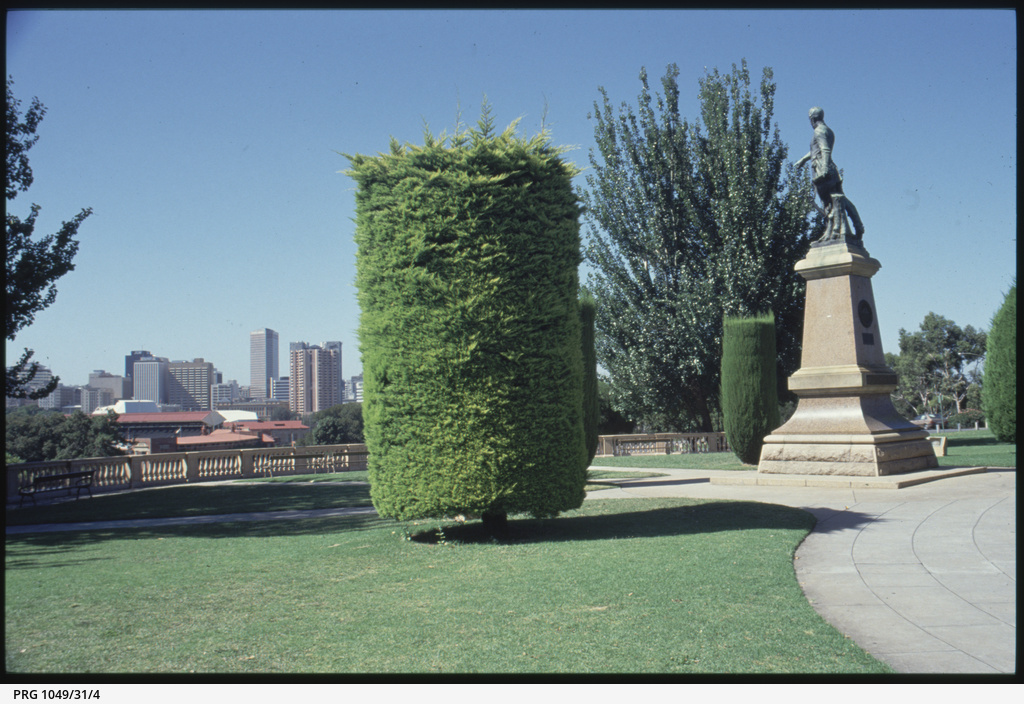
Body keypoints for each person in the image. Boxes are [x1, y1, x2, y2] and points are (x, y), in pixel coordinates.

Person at [795, 107, 864, 241]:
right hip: (831, 170)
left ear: (812, 118)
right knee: (838, 199)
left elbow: (825, 150)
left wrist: (824, 169)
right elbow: (817, 150)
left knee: (829, 202)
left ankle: (835, 231)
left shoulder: (818, 131)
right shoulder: (827, 130)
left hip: (822, 168)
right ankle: (854, 226)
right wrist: (803, 160)